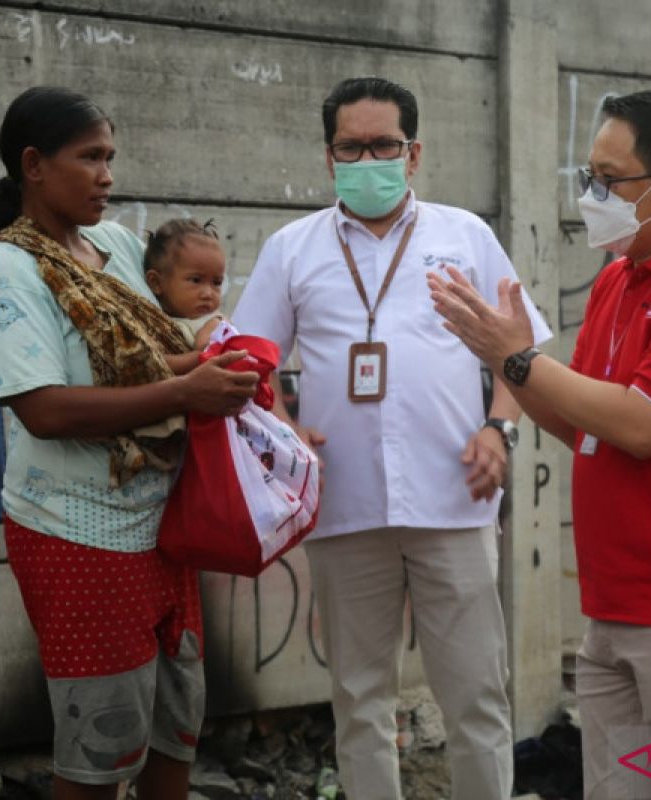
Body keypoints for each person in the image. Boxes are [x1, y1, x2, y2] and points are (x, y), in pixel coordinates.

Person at [429, 88, 651, 799]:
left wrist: (522, 359)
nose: (589, 193)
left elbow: (641, 427)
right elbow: (582, 422)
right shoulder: (620, 279)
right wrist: (501, 357)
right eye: (586, 175)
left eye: (606, 179)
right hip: (618, 604)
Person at [230, 76, 552, 799]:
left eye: (384, 144)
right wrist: (280, 419)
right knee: (360, 699)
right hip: (344, 506)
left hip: (453, 500)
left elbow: (520, 354)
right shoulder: (293, 249)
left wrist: (499, 428)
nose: (368, 157)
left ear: (413, 154)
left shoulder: (464, 236)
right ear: (329, 157)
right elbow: (249, 360)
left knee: (476, 698)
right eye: (353, 146)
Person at [0, 86, 258, 800]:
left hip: (165, 528)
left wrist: (216, 371)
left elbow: (157, 362)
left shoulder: (120, 248)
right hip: (77, 533)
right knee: (98, 754)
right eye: (89, 157)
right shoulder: (5, 273)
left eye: (110, 157)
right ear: (33, 165)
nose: (107, 175)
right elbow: (44, 409)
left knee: (173, 735)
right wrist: (187, 394)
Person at [143, 219, 227, 348]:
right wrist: (199, 357)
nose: (208, 294)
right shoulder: (147, 321)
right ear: (156, 283)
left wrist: (207, 350)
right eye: (196, 280)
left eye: (216, 283)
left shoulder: (212, 321)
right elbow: (157, 362)